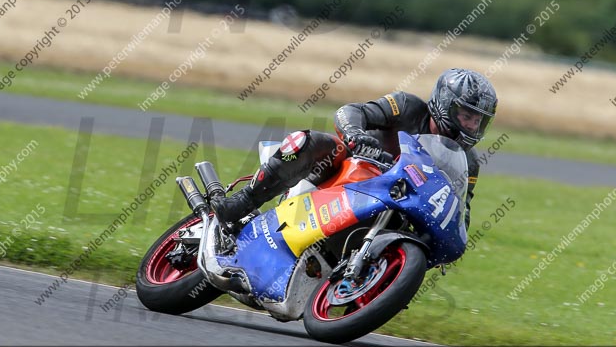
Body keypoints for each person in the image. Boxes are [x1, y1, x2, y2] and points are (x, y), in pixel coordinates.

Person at [212, 68, 497, 230]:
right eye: (465, 115)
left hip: (394, 202)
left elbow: (462, 208)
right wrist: (355, 136)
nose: (471, 124)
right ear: (445, 103)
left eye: (477, 120)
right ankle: (245, 201)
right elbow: (352, 111)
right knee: (314, 144)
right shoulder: (407, 106)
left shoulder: (468, 162)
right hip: (351, 172)